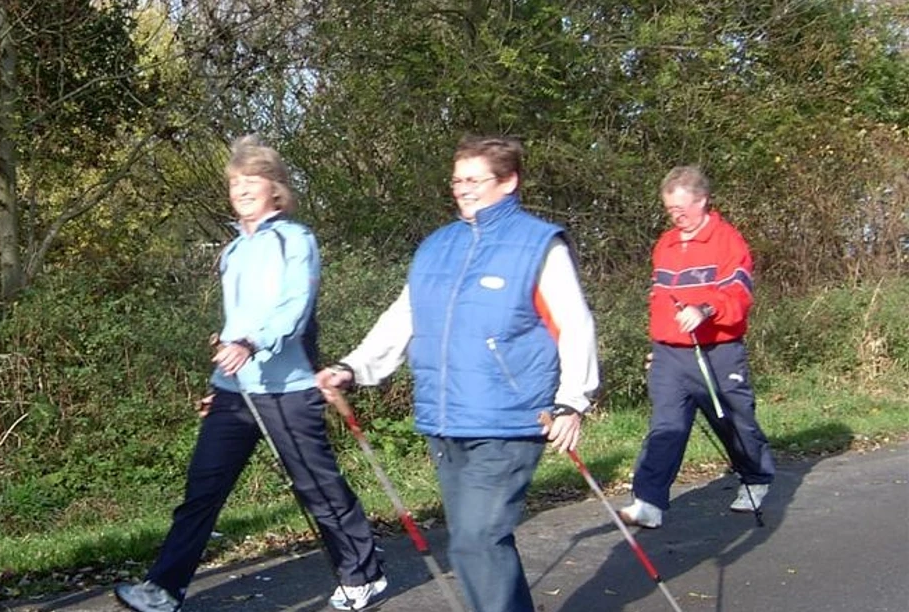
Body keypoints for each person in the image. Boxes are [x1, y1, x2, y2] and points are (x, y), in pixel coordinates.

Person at [316, 135, 600, 612]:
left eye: (474, 179)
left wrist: (573, 401)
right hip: (444, 418)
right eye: (456, 179)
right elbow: (404, 315)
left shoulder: (538, 243)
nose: (462, 188)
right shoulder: (436, 246)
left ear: (508, 181)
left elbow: (575, 323)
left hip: (511, 418)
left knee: (477, 540)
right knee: (479, 542)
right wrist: (354, 367)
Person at [114, 135, 387, 612]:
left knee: (316, 488)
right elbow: (233, 324)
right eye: (235, 182)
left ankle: (364, 574)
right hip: (233, 391)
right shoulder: (233, 252)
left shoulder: (296, 239)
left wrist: (251, 343)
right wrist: (221, 369)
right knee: (203, 491)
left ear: (275, 189)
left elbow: (294, 309)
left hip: (287, 389)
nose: (241, 189)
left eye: (252, 180)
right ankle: (163, 589)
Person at [618, 166, 774, 529]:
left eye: (682, 209)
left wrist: (705, 309)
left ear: (702, 201)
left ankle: (755, 478)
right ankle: (649, 501)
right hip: (671, 354)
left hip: (717, 351)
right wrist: (659, 346)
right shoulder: (666, 244)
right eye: (670, 210)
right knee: (666, 426)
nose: (676, 217)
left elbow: (739, 295)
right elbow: (660, 301)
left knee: (734, 421)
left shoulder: (727, 241)